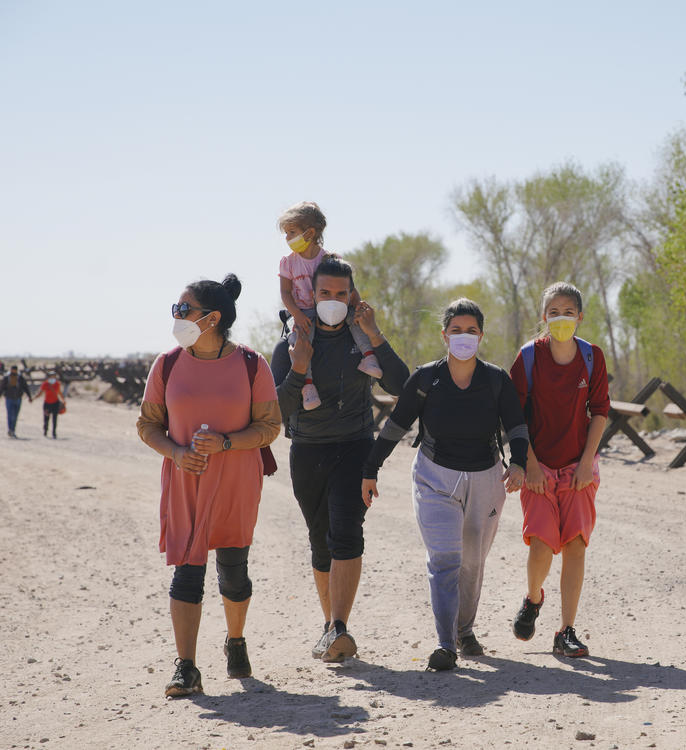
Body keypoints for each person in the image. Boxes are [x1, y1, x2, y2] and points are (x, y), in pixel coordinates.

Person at [362, 298, 529, 671]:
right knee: (445, 559)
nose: (464, 337)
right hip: (434, 476)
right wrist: (370, 468)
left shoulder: (496, 379)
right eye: (456, 330)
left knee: (472, 562)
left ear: (481, 336)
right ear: (444, 335)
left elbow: (516, 426)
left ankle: (464, 631)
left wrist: (518, 462)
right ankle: (446, 643)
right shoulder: (425, 378)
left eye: (471, 331)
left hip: (486, 478)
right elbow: (396, 425)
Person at [137, 273, 281, 697]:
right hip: (185, 480)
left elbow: (270, 426)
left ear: (212, 318)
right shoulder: (167, 364)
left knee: (234, 573)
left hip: (237, 480)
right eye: (175, 309)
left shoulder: (253, 365)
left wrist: (227, 443)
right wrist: (178, 453)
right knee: (187, 572)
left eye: (185, 309)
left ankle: (235, 641)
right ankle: (186, 666)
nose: (177, 316)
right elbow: (147, 425)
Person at [271, 257, 409, 664]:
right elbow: (277, 412)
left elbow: (402, 385)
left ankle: (340, 627)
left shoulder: (362, 337)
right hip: (308, 451)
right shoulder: (291, 343)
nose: (333, 300)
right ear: (310, 296)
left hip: (354, 447)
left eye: (341, 293)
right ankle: (329, 626)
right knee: (320, 541)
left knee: (346, 533)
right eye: (325, 293)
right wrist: (298, 369)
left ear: (353, 296)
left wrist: (375, 333)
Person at [508, 282, 610, 658]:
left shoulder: (592, 357)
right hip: (539, 468)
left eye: (569, 311)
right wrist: (530, 465)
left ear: (580, 316)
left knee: (575, 545)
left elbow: (599, 411)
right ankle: (533, 599)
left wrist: (587, 462)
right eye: (554, 311)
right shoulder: (528, 358)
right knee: (540, 545)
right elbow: (514, 418)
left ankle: (566, 630)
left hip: (578, 468)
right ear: (544, 316)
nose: (561, 318)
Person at [278, 201, 382, 411]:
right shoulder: (288, 262)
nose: (288, 238)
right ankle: (308, 387)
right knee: (300, 341)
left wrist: (358, 307)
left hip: (333, 308)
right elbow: (286, 292)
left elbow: (347, 287)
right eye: (286, 233)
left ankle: (369, 359)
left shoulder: (329, 259)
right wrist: (296, 314)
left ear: (309, 233)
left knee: (355, 323)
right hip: (304, 312)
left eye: (291, 232)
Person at [4, 365, 33, 438]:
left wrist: (29, 396)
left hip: (18, 398)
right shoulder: (7, 377)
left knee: (15, 415)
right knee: (10, 415)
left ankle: (13, 430)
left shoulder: (20, 378)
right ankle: (10, 429)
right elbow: (2, 387)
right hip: (9, 398)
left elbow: (25, 387)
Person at [39, 370, 66, 439]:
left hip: (55, 403)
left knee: (55, 419)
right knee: (46, 418)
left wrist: (63, 400)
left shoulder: (57, 384)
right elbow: (40, 393)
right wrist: (33, 398)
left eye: (54, 377)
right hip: (47, 404)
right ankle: (45, 430)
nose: (53, 378)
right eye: (52, 376)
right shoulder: (45, 384)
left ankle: (54, 432)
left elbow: (59, 392)